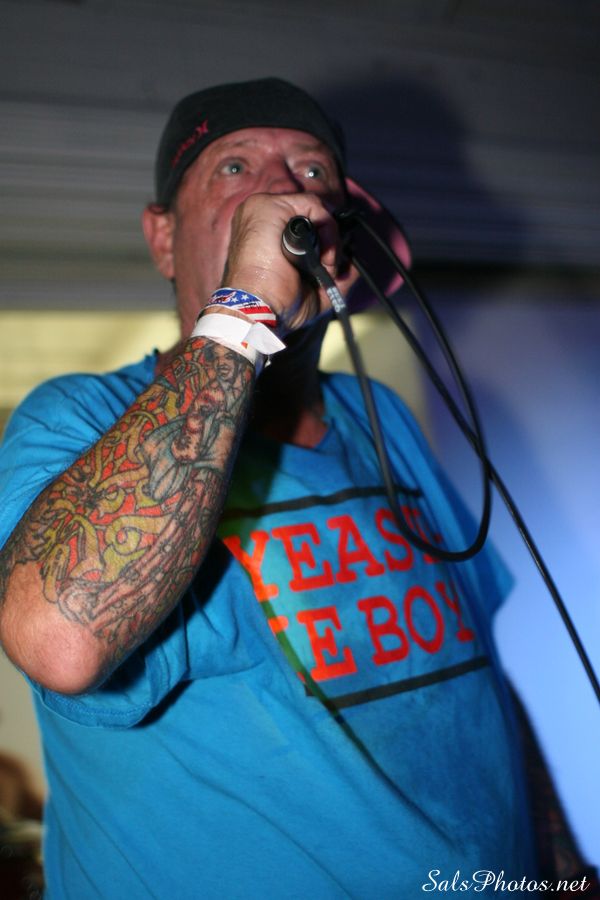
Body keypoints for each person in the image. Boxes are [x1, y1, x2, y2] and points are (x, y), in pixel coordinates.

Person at [0, 78, 595, 899]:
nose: (283, 192)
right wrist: (243, 313)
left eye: (313, 171)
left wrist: (564, 869)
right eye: (235, 168)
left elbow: (477, 676)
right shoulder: (79, 418)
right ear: (164, 239)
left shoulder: (381, 416)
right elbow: (58, 637)